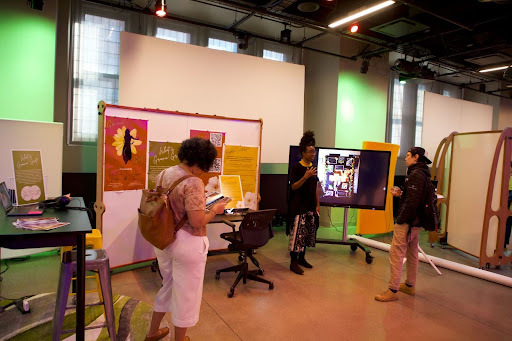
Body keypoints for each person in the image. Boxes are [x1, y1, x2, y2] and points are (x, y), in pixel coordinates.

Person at [145, 137, 227, 341]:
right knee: (187, 296)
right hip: (187, 244)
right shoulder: (193, 182)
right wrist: (215, 210)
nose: (204, 171)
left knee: (169, 285)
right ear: (201, 161)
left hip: (163, 239)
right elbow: (198, 221)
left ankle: (153, 331)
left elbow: (170, 204)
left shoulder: (165, 173)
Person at [375, 147, 431, 302]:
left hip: (408, 222)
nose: (405, 158)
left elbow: (412, 203)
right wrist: (401, 194)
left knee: (396, 253)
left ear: (416, 157)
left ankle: (392, 290)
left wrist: (400, 220)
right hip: (416, 222)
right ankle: (409, 285)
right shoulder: (423, 173)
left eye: (408, 156)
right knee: (412, 253)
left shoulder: (415, 175)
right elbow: (414, 198)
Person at [287, 130, 320, 275]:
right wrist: (305, 176)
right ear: (303, 153)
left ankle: (302, 259)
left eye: (314, 151)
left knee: (306, 234)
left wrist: (318, 205)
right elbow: (293, 186)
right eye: (310, 152)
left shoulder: (313, 166)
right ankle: (293, 262)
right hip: (298, 207)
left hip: (310, 207)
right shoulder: (297, 167)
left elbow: (316, 187)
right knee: (297, 236)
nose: (313, 154)